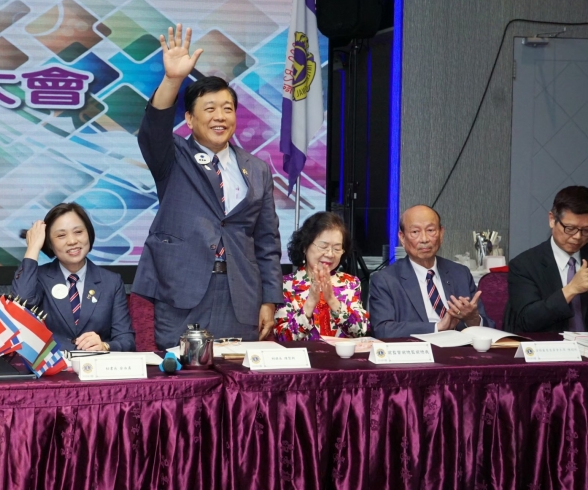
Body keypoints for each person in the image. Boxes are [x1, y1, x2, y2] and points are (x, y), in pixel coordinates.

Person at [131, 24, 282, 349]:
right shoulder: (174, 156)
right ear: (189, 119)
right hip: (183, 291)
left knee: (239, 374)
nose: (220, 116)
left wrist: (270, 298)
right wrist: (172, 80)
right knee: (184, 375)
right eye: (210, 109)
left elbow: (266, 241)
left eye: (227, 109)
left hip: (240, 295)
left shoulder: (257, 169)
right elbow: (153, 128)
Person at [12, 203, 135, 352]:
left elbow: (126, 341)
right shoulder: (38, 278)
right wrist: (33, 247)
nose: (72, 241)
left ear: (89, 233)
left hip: (95, 365)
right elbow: (21, 303)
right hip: (52, 365)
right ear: (49, 243)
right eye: (61, 235)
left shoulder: (111, 282)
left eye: (78, 232)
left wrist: (104, 346)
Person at [369, 205, 493, 338]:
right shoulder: (385, 280)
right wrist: (437, 327)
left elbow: (490, 328)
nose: (424, 239)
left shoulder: (460, 274)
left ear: (441, 234)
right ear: (402, 238)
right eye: (415, 232)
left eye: (430, 230)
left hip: (459, 348)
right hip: (416, 349)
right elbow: (383, 330)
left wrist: (473, 320)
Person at [273, 212, 368, 341]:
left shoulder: (350, 283)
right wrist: (310, 303)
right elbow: (283, 338)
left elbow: (361, 332)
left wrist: (332, 301)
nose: (330, 254)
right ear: (305, 246)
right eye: (323, 246)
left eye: (337, 249)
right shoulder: (286, 285)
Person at [505, 185, 588, 332]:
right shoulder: (524, 265)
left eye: (586, 230)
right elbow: (527, 320)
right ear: (552, 219)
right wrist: (571, 289)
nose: (578, 236)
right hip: (548, 344)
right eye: (570, 228)